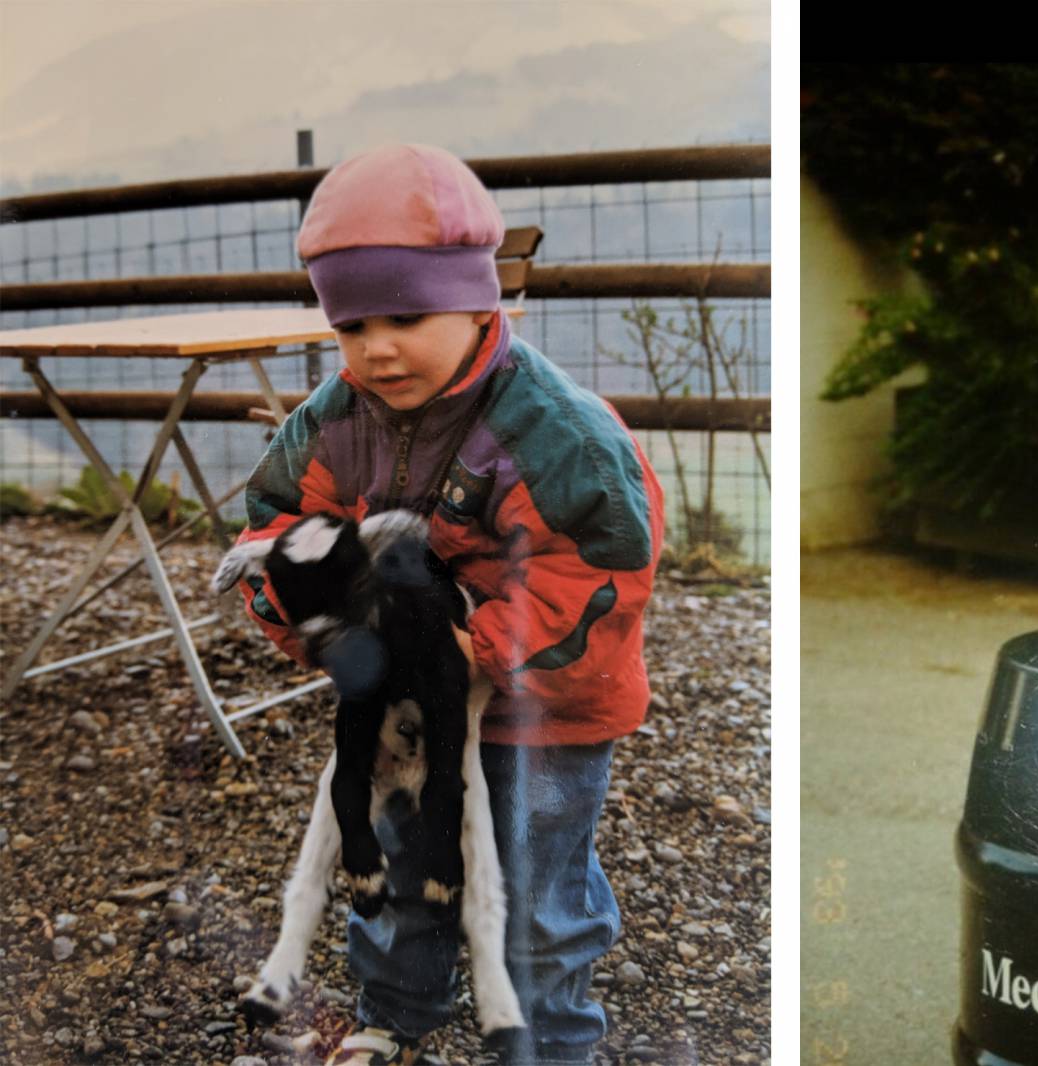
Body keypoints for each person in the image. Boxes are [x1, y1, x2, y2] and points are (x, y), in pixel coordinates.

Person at [226, 143, 664, 1066]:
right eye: (350, 326)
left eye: (406, 315)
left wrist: (476, 645)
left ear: (479, 299)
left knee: (535, 885)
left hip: (544, 713)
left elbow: (598, 576)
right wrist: (322, 627)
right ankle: (392, 1014)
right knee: (390, 857)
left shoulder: (554, 434)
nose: (376, 348)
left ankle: (547, 1040)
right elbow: (275, 523)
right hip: (407, 704)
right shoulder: (335, 418)